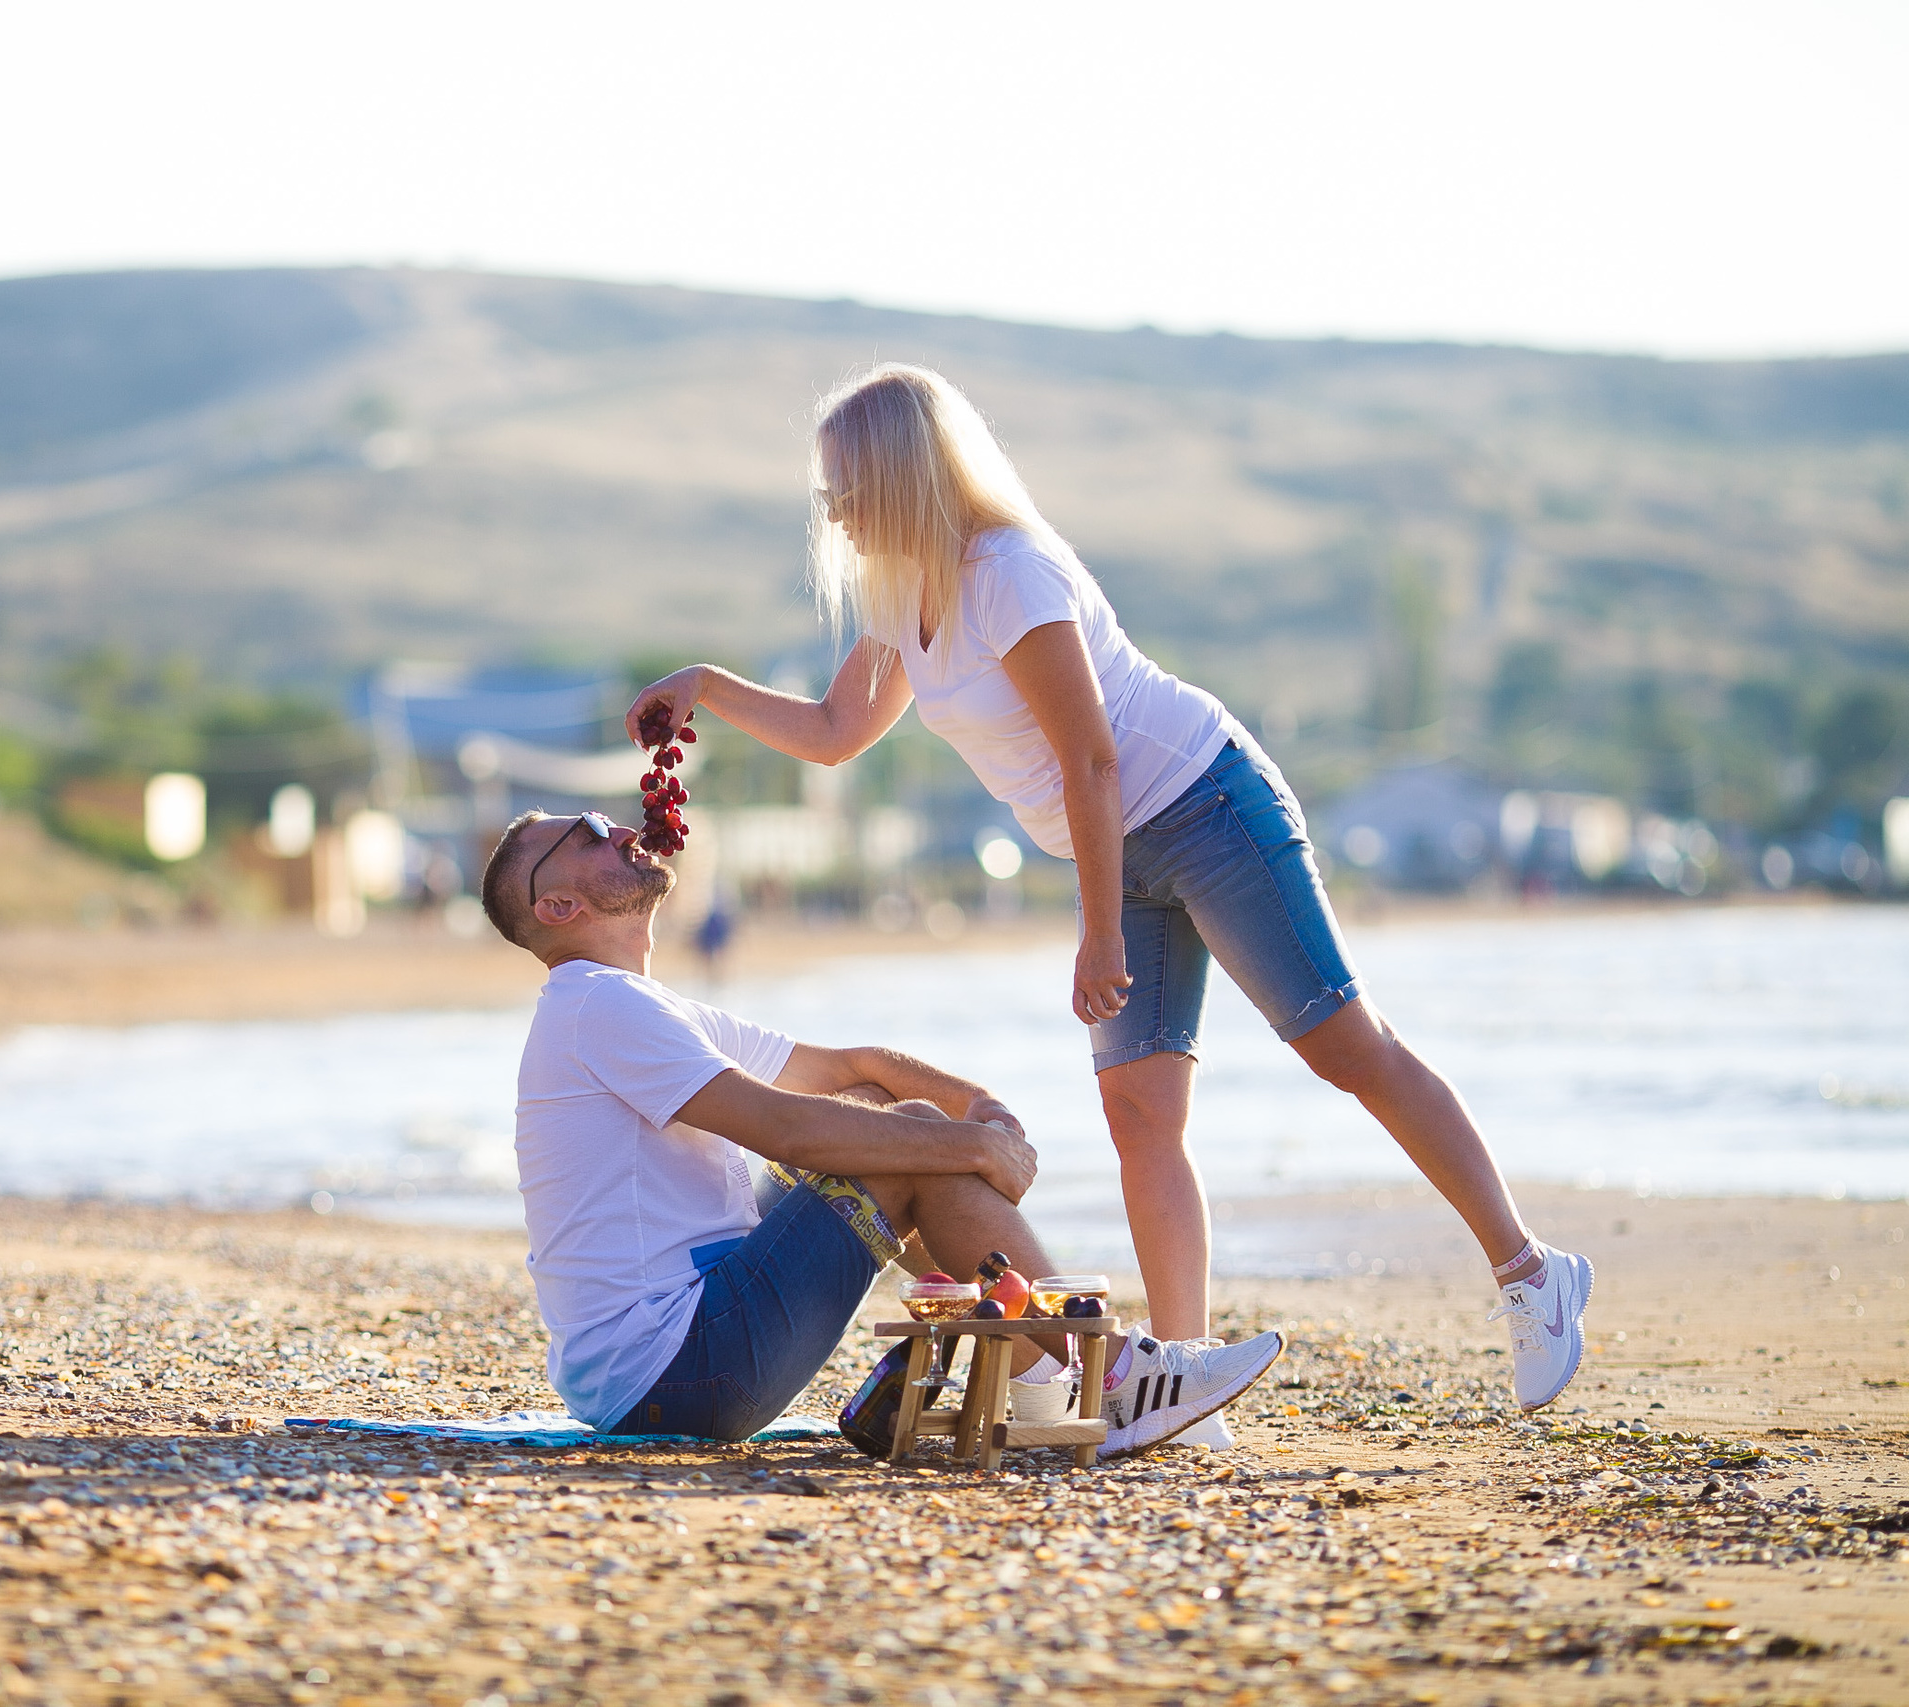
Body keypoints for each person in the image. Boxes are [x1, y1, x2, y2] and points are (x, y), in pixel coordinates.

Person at [627, 364, 1592, 1421]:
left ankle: (1529, 1273)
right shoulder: (901, 598)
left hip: (1204, 804)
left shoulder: (1008, 572)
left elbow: (1091, 757)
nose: (833, 512)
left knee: (1340, 1044)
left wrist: (1095, 935)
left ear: (901, 474)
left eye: (844, 486)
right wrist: (706, 688)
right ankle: (1186, 1378)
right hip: (1115, 846)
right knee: (1140, 1113)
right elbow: (834, 733)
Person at [480, 804, 1286, 1454]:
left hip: (675, 1355)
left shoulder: (633, 1003)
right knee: (907, 1145)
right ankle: (1105, 1374)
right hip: (680, 1367)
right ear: (558, 907)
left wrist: (980, 1107)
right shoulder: (597, 1001)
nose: (612, 823)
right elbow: (783, 1128)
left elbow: (841, 1070)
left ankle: (1046, 1375)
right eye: (584, 833)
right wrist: (968, 1145)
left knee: (886, 1111)